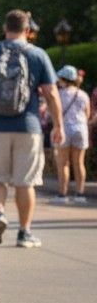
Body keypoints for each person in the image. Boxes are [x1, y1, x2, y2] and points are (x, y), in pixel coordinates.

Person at [0, 9, 64, 247]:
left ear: (5, 28)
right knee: (25, 182)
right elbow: (50, 93)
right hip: (28, 127)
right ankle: (25, 232)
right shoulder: (37, 54)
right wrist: (58, 125)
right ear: (28, 31)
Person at [53, 65, 90, 203]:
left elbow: (54, 113)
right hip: (80, 129)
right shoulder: (83, 94)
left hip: (64, 129)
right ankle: (80, 194)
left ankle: (63, 194)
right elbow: (87, 114)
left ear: (63, 79)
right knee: (79, 163)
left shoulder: (59, 94)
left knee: (63, 163)